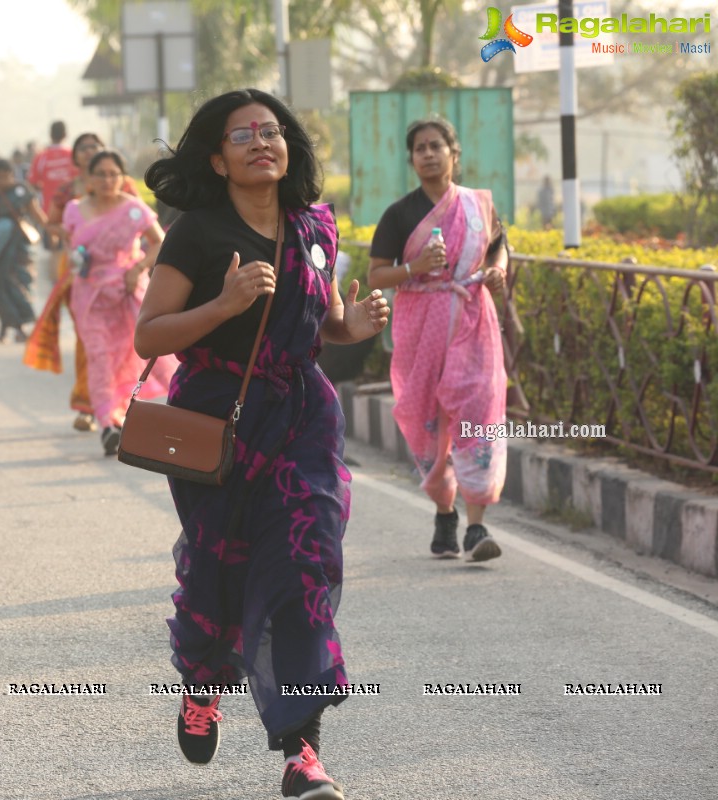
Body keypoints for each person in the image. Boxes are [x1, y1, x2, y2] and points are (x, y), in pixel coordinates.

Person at [136, 89, 389, 800]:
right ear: (216, 159)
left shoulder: (314, 226)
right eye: (242, 136)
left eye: (271, 131)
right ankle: (204, 680)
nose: (260, 143)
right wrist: (223, 305)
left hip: (304, 416)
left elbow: (325, 323)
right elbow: (148, 335)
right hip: (216, 421)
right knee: (223, 568)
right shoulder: (196, 233)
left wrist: (357, 325)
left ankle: (302, 752)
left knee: (305, 573)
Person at [367, 116, 508, 563]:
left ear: (454, 152)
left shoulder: (476, 206)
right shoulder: (399, 214)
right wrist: (415, 267)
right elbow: (376, 274)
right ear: (411, 159)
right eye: (420, 148)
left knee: (477, 409)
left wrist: (498, 268)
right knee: (426, 422)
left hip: (472, 318)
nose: (428, 153)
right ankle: (445, 512)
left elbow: (498, 244)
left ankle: (476, 526)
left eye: (436, 145)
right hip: (419, 324)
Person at [62, 150, 174, 456]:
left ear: (122, 177)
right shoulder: (74, 210)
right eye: (101, 174)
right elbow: (70, 249)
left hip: (127, 293)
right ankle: (107, 424)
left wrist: (137, 268)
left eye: (114, 174)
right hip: (90, 297)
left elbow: (159, 243)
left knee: (139, 355)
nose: (107, 180)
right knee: (98, 357)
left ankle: (182, 407)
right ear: (89, 178)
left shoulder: (134, 210)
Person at [24, 132, 134, 434]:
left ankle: (119, 404)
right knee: (89, 339)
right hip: (80, 271)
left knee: (122, 339)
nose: (89, 152)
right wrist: (79, 236)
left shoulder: (125, 189)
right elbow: (53, 225)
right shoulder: (68, 193)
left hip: (122, 276)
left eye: (94, 147)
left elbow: (142, 226)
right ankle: (88, 405)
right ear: (75, 156)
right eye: (83, 148)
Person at [0, 159, 47, 343]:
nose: (3, 181)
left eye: (6, 176)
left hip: (19, 248)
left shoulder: (22, 190)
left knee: (19, 283)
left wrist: (53, 230)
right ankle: (8, 325)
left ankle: (19, 326)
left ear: (12, 175)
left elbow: (37, 214)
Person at [27, 121, 76, 228]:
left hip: (48, 213)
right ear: (65, 134)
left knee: (51, 244)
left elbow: (32, 183)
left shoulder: (41, 157)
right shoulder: (73, 156)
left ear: (50, 135)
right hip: (74, 212)